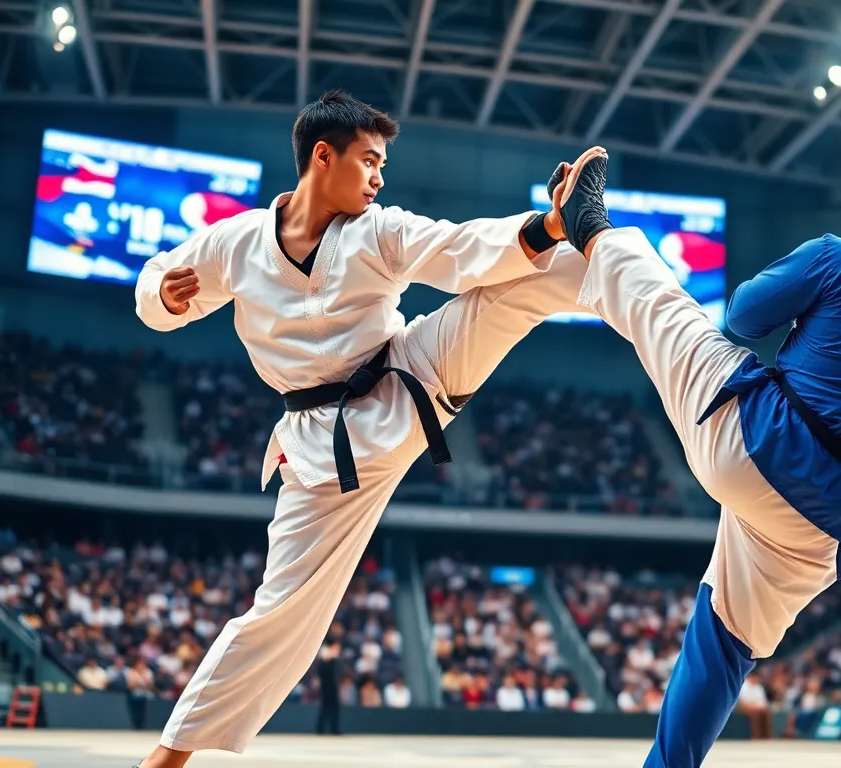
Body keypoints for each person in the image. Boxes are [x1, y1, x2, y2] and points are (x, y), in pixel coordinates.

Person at [133, 91, 593, 768]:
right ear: (325, 156)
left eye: (383, 164)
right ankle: (169, 757)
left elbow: (459, 249)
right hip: (321, 447)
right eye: (370, 161)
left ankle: (610, 252)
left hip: (412, 376)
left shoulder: (377, 230)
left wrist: (551, 224)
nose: (380, 178)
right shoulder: (233, 243)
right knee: (281, 611)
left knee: (541, 273)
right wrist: (161, 300)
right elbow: (154, 281)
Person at [550, 153, 841, 767]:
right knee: (726, 642)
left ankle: (589, 223)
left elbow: (742, 316)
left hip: (756, 441)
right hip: (831, 520)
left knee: (668, 310)